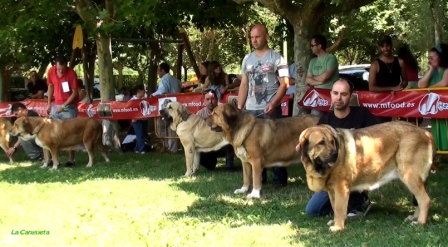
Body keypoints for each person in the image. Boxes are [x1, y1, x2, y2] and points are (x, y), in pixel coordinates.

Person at [305, 78, 378, 217]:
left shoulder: (363, 114)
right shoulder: (324, 123)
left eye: (344, 94)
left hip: (358, 171)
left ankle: (361, 201)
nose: (339, 97)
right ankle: (341, 202)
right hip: (334, 174)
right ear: (331, 95)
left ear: (350, 97)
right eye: (335, 93)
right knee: (312, 211)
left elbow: (375, 143)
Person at [237, 23, 289, 187]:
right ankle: (260, 178)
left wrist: (274, 103)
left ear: (267, 37)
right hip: (251, 109)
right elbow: (244, 85)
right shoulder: (247, 59)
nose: (254, 40)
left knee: (276, 143)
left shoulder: (277, 58)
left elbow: (285, 83)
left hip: (271, 109)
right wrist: (239, 108)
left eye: (257, 37)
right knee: (254, 146)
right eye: (252, 37)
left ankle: (280, 179)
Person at [46, 56, 79, 167]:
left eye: (63, 69)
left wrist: (64, 106)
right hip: (56, 106)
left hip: (69, 107)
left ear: (66, 65)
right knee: (53, 133)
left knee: (70, 133)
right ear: (55, 65)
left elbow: (75, 93)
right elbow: (50, 86)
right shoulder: (51, 71)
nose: (61, 71)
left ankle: (71, 160)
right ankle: (54, 160)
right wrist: (49, 103)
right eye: (59, 69)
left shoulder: (71, 73)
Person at [418, 43, 448, 150]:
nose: (429, 61)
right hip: (437, 111)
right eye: (428, 58)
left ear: (440, 57)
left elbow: (444, 83)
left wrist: (430, 88)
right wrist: (430, 70)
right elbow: (421, 85)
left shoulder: (447, 70)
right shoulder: (433, 72)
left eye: (431, 58)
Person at [196, 89, 235, 170]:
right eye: (207, 99)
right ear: (204, 101)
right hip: (208, 144)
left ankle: (229, 166)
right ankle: (210, 165)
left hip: (223, 143)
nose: (210, 101)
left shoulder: (224, 111)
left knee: (229, 138)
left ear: (217, 100)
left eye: (212, 99)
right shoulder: (199, 114)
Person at [306, 34, 339, 117]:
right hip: (317, 98)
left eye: (312, 45)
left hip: (331, 97)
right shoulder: (312, 61)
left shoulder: (331, 58)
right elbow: (307, 80)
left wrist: (313, 79)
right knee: (315, 122)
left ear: (319, 46)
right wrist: (320, 81)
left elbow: (326, 77)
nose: (311, 47)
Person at [152, 62, 182, 153]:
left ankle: (167, 146)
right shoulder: (176, 80)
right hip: (176, 107)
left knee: (160, 126)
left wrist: (152, 95)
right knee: (172, 127)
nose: (157, 72)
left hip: (166, 108)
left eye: (158, 70)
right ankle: (172, 148)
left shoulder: (165, 80)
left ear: (163, 70)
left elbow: (162, 91)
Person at [130, 84, 148, 154]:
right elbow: (130, 110)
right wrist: (133, 118)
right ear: (139, 91)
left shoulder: (144, 99)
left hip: (144, 119)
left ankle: (137, 149)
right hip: (136, 120)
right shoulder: (132, 100)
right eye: (143, 90)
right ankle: (142, 150)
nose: (144, 92)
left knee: (142, 134)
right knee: (139, 134)